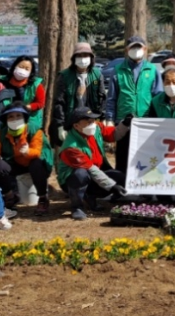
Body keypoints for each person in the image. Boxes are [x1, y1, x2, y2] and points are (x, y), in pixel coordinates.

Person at [56, 107, 129, 220]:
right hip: (72, 180)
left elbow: (113, 134)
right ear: (76, 126)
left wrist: (125, 124)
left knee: (120, 177)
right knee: (80, 174)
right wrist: (112, 186)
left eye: (93, 120)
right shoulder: (71, 147)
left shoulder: (96, 128)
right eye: (88, 122)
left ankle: (89, 196)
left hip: (94, 173)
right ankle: (77, 207)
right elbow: (90, 169)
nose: (93, 124)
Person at [105, 36, 163, 173]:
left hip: (145, 122)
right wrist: (110, 120)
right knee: (123, 158)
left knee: (145, 158)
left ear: (145, 49)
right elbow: (111, 98)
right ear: (127, 50)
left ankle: (144, 185)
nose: (136, 50)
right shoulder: (118, 70)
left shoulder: (152, 70)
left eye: (139, 47)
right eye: (133, 47)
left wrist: (157, 121)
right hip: (123, 122)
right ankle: (121, 183)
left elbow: (158, 97)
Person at [0, 102, 54, 215]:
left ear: (24, 117)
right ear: (6, 119)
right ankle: (10, 196)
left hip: (34, 161)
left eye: (18, 116)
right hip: (15, 163)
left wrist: (28, 152)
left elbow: (38, 151)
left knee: (37, 164)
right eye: (11, 116)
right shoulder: (2, 133)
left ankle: (43, 198)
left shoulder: (34, 129)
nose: (15, 119)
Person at [51, 42, 106, 147]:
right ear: (74, 58)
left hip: (91, 121)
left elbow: (102, 99)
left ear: (91, 58)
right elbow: (59, 102)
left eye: (85, 55)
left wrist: (103, 118)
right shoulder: (64, 76)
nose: (83, 58)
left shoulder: (97, 74)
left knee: (90, 149)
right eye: (79, 56)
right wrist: (60, 125)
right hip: (71, 123)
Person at [3, 55, 45, 131]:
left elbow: (40, 103)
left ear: (31, 71)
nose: (23, 70)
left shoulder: (36, 84)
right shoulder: (3, 81)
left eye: (27, 69)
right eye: (21, 67)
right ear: (15, 66)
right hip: (8, 119)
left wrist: (25, 108)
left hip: (30, 120)